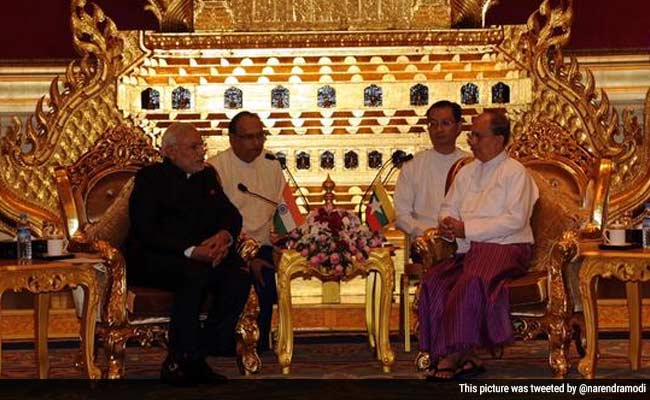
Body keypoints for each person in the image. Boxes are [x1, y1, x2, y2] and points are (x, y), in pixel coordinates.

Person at [418, 110, 539, 380]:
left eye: (477, 135)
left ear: (498, 140)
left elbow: (515, 220)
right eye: (471, 135)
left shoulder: (515, 173)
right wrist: (448, 223)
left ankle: (452, 354)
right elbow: (447, 207)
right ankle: (462, 355)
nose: (471, 140)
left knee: (472, 280)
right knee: (435, 279)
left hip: (508, 248)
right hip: (468, 249)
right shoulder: (467, 171)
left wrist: (467, 228)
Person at [126, 122, 250, 386]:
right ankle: (182, 360)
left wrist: (223, 237)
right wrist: (193, 251)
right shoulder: (150, 178)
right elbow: (146, 231)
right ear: (170, 151)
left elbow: (230, 215)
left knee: (238, 273)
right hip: (156, 257)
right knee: (193, 273)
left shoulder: (205, 177)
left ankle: (203, 348)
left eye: (201, 145)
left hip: (204, 256)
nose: (201, 152)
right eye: (193, 147)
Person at [208, 111, 284, 353]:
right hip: (230, 246)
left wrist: (279, 243)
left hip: (263, 244)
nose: (257, 143)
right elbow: (215, 220)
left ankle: (259, 345)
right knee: (244, 279)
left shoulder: (272, 164)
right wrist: (245, 251)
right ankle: (225, 345)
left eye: (260, 136)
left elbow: (281, 209)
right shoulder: (216, 168)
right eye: (249, 137)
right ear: (232, 140)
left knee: (267, 284)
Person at [394, 100, 469, 243]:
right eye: (433, 124)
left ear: (459, 127)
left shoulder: (471, 163)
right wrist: (431, 232)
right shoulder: (413, 165)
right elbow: (401, 215)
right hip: (424, 243)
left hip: (465, 242)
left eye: (445, 123)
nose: (439, 129)